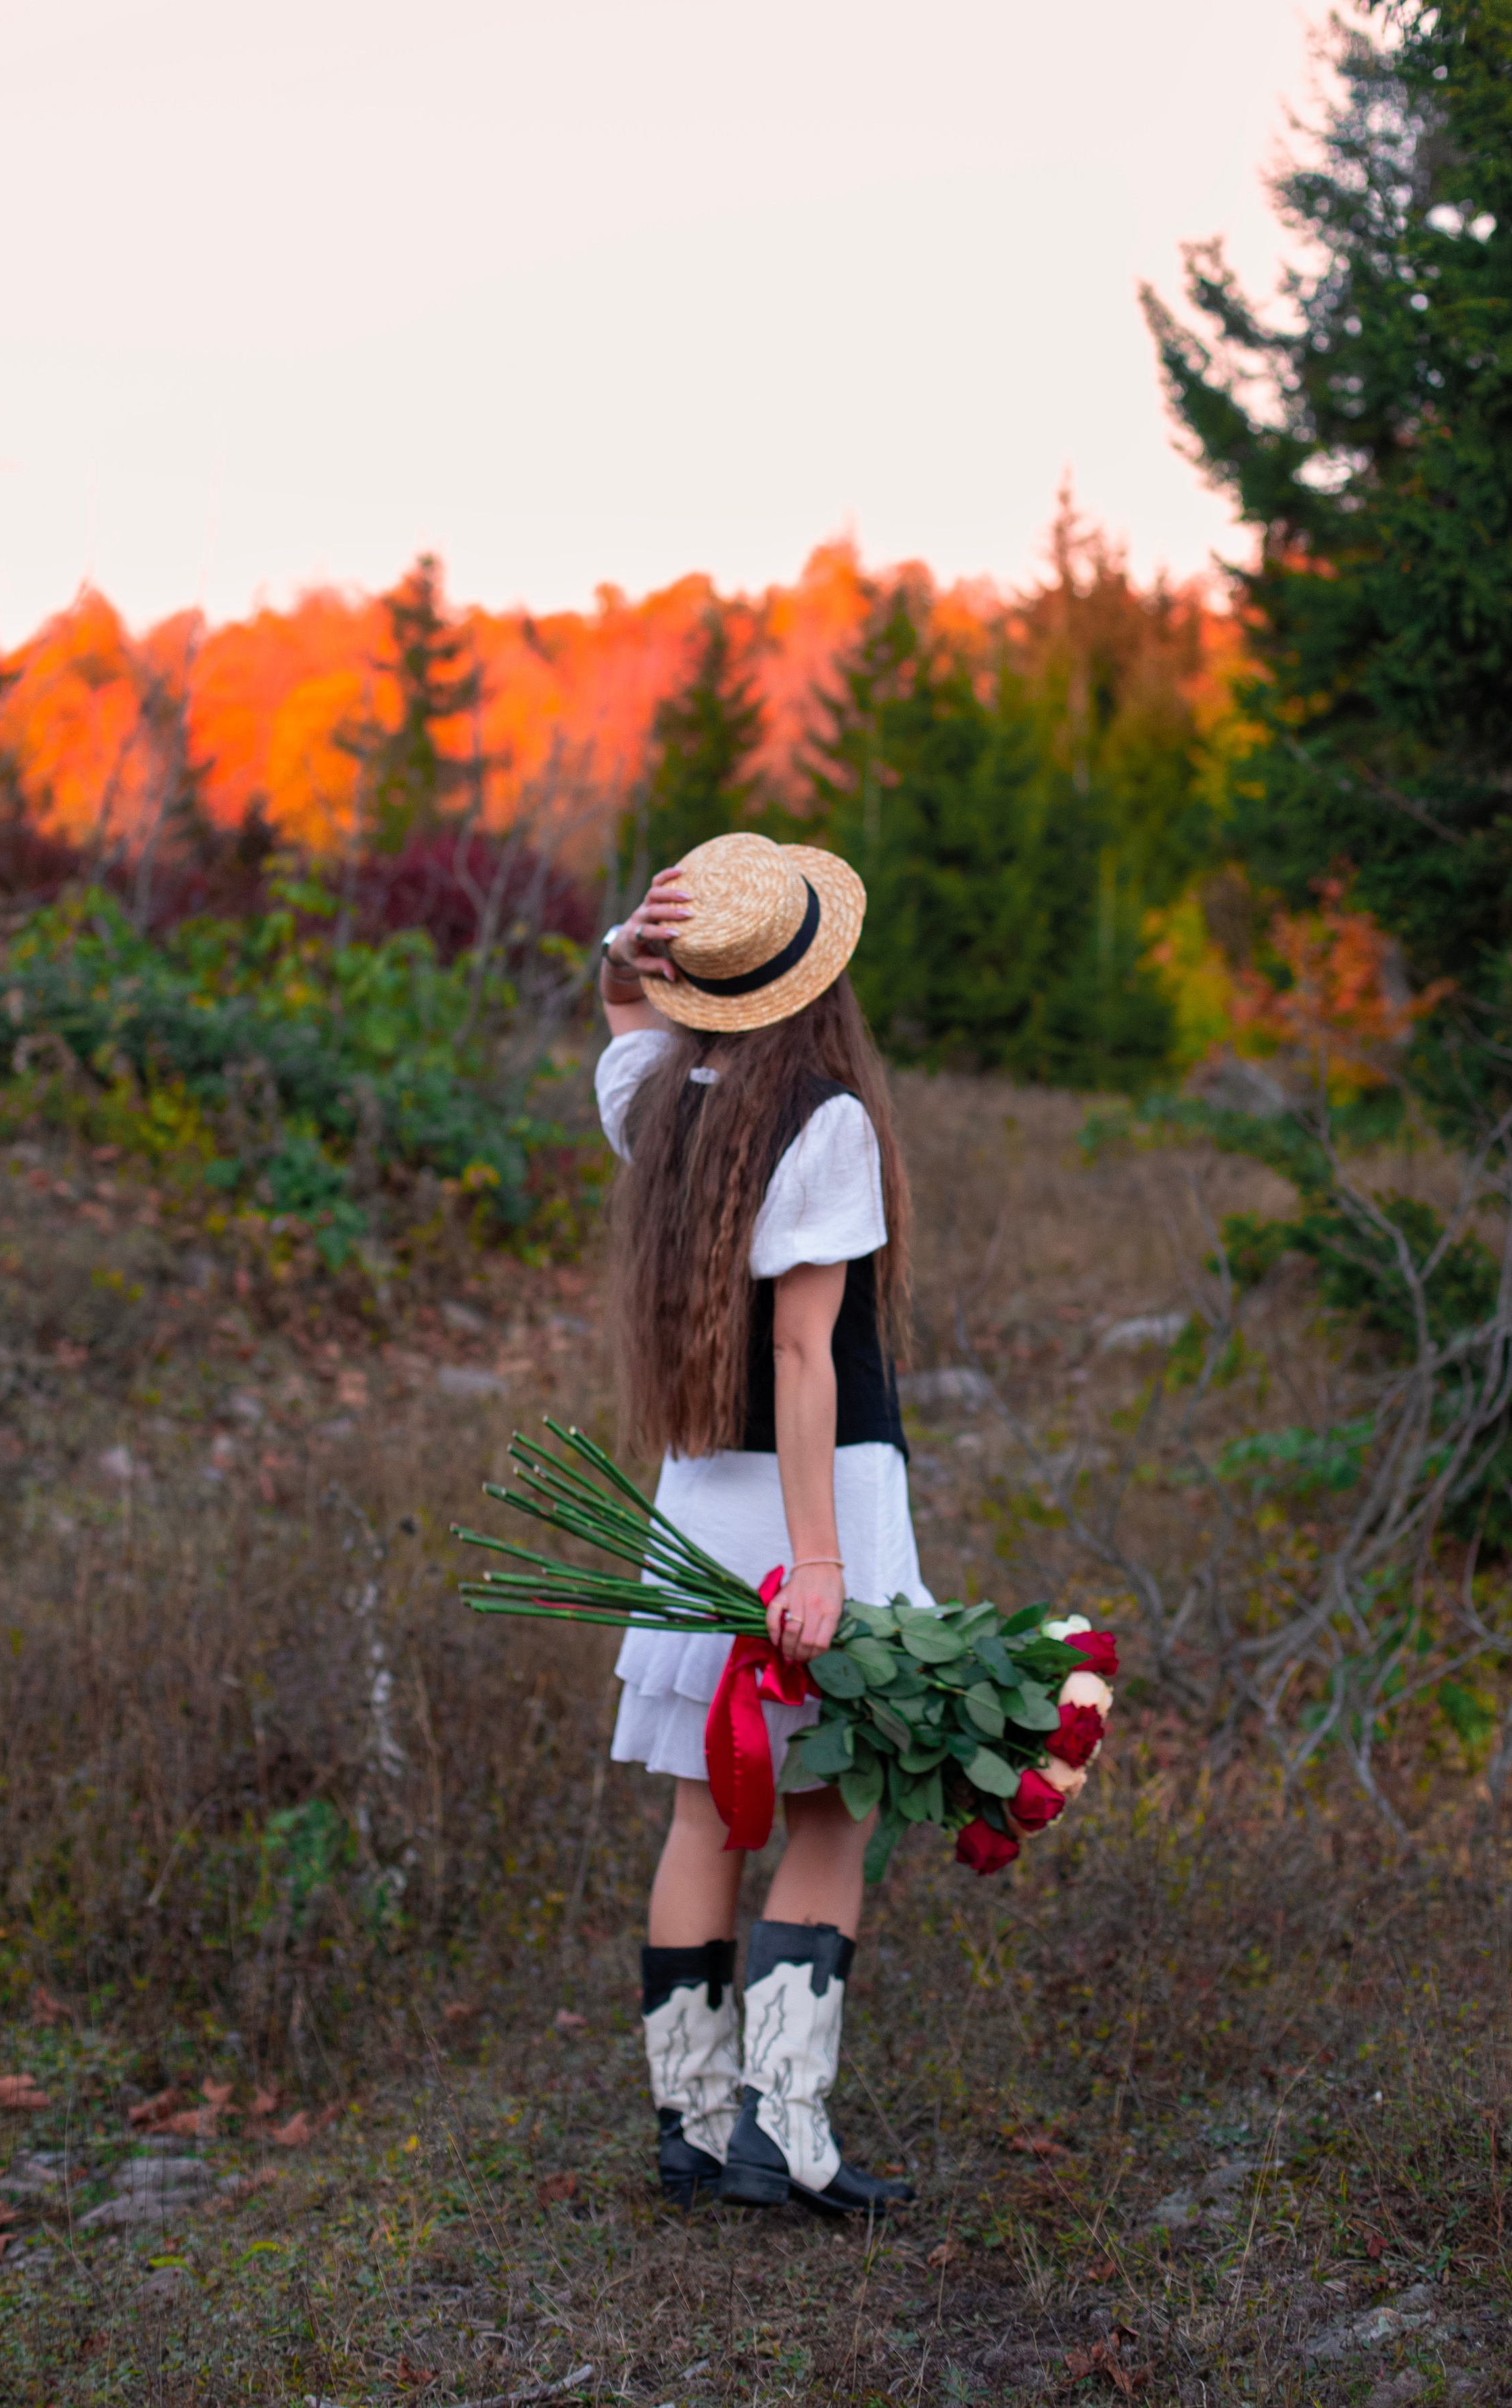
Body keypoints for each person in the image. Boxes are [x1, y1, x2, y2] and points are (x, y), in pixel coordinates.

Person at [595, 830, 921, 2217]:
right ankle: (780, 2135)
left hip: (694, 1509)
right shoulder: (825, 1120)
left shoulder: (659, 1099)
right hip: (814, 1500)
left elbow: (621, 1015)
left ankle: (691, 2125)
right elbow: (804, 1355)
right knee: (833, 1808)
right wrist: (823, 1561)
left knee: (700, 1814)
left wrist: (626, 951)